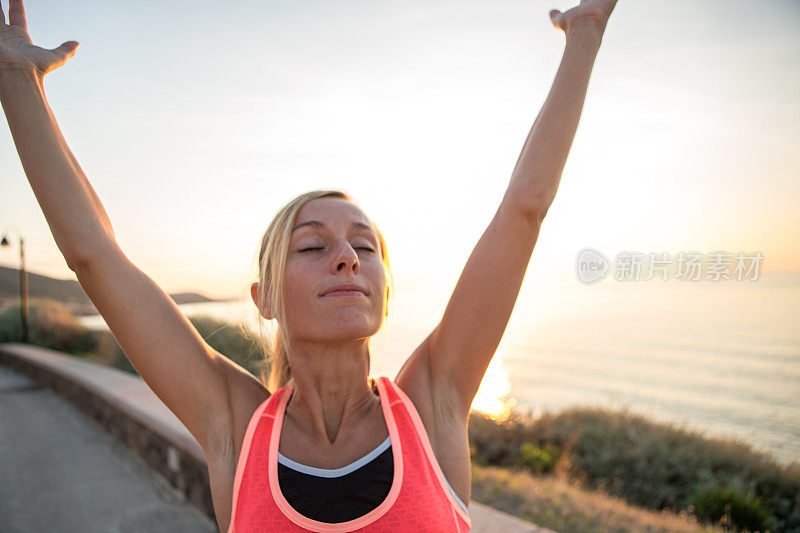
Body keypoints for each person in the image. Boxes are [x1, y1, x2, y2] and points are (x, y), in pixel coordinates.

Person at [0, 0, 619, 531]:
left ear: (384, 288)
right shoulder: (235, 427)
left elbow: (522, 211)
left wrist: (586, 31)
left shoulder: (434, 403)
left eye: (364, 245)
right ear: (263, 296)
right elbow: (94, 256)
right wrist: (17, 83)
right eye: (312, 246)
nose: (347, 257)